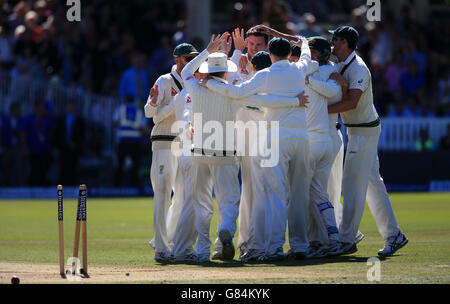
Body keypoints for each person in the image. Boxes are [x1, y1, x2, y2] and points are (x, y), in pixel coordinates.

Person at [185, 34, 306, 262]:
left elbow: (185, 73)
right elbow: (262, 103)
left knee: (202, 203)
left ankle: (204, 251)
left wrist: (208, 52)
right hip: (227, 152)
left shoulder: (197, 87)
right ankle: (229, 236)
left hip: (201, 151)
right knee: (230, 201)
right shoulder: (237, 89)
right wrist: (294, 102)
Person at [328, 25, 408, 257]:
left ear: (346, 43)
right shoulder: (340, 60)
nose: (331, 42)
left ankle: (347, 239)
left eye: (335, 39)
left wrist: (321, 109)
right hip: (357, 130)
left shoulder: (359, 69)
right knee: (374, 185)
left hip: (363, 132)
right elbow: (310, 45)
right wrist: (280, 35)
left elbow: (352, 102)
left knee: (352, 186)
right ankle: (394, 235)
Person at [144, 42, 199, 262]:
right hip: (164, 142)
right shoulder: (165, 81)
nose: (191, 63)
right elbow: (151, 114)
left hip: (184, 143)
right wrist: (171, 103)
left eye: (193, 59)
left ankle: (166, 239)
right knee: (163, 193)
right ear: (177, 60)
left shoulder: (194, 83)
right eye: (188, 59)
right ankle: (160, 247)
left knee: (183, 195)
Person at [303, 36, 344, 257]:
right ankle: (320, 240)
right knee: (317, 192)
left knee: (315, 192)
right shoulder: (329, 71)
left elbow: (335, 93)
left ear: (324, 55)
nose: (310, 55)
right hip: (325, 139)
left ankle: (330, 239)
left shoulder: (319, 71)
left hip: (320, 138)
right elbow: (332, 90)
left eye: (314, 52)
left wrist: (309, 81)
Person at [113, 95, 145, 187]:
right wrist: (134, 125)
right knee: (135, 165)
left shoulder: (120, 109)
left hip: (123, 141)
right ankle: (135, 186)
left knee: (119, 164)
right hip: (135, 141)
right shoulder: (138, 111)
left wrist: (124, 123)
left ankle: (116, 186)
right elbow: (143, 127)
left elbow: (114, 122)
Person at [55, 100, 86, 186]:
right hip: (63, 148)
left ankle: (73, 188)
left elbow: (82, 135)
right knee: (63, 169)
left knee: (74, 169)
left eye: (72, 106)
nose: (70, 108)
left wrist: (75, 144)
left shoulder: (80, 121)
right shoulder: (60, 120)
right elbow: (57, 134)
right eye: (69, 106)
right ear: (66, 107)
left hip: (75, 150)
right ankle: (62, 189)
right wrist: (63, 144)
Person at [0, 102, 27, 186]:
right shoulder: (4, 119)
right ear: (12, 109)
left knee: (20, 169)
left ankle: (21, 188)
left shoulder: (21, 119)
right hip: (7, 147)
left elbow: (22, 134)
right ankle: (5, 186)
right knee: (6, 168)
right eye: (17, 109)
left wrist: (24, 147)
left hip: (17, 148)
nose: (18, 111)